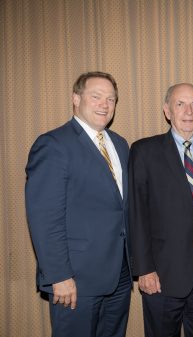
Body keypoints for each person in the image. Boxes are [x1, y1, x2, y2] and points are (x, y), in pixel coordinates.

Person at [25, 71, 131, 337]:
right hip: (75, 280)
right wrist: (59, 276)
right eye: (96, 97)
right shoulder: (53, 145)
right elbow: (45, 217)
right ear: (75, 98)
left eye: (111, 99)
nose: (104, 105)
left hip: (119, 275)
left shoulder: (120, 144)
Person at [128, 83, 193, 337]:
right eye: (180, 104)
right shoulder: (144, 151)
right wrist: (144, 268)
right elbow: (136, 213)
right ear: (167, 111)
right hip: (161, 276)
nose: (188, 111)